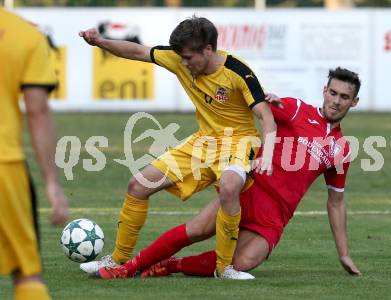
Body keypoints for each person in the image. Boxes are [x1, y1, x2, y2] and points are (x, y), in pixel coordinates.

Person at [97, 67, 362, 280]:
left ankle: (172, 266)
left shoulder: (341, 149)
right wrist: (263, 99)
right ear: (324, 91)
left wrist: (344, 254)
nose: (336, 101)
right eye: (333, 93)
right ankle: (128, 268)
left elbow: (336, 202)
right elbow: (255, 110)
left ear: (354, 102)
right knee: (197, 230)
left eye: (344, 97)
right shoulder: (294, 109)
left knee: (243, 262)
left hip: (275, 216)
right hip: (247, 191)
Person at [78, 16, 277, 279]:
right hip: (203, 143)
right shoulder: (180, 58)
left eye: (188, 57)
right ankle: (117, 259)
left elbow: (267, 117)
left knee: (229, 187)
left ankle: (225, 268)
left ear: (208, 50)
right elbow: (138, 51)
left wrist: (269, 155)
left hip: (239, 143)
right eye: (180, 57)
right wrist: (100, 42)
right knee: (138, 186)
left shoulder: (238, 72)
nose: (182, 63)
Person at [0, 8, 70, 300]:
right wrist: (52, 184)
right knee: (26, 274)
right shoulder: (25, 35)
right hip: (5, 166)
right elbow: (38, 112)